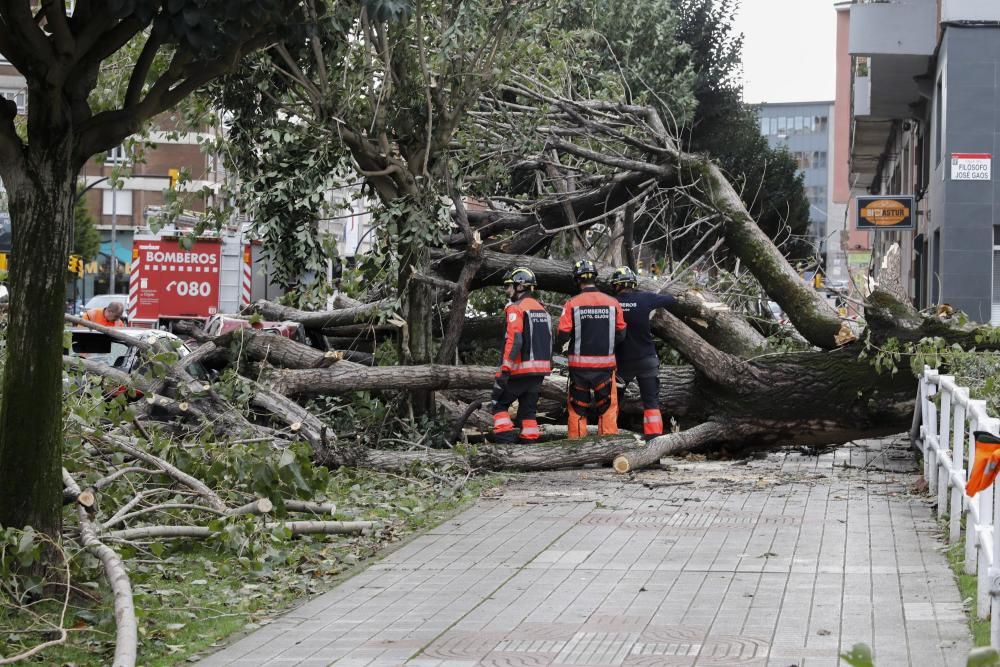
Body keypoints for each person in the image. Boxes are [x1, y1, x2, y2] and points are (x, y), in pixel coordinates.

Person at [557, 259, 626, 438]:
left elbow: (563, 334)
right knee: (608, 408)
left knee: (578, 409)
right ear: (595, 278)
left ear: (577, 280)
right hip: (605, 367)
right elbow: (621, 334)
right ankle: (608, 451)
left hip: (579, 369)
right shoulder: (613, 303)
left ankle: (578, 453)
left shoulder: (572, 303)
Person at [610, 266, 676, 440]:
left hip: (622, 364)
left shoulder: (611, 303)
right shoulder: (645, 298)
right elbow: (671, 300)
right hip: (647, 360)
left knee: (613, 402)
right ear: (633, 283)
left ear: (616, 285)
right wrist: (652, 300)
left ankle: (609, 440)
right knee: (651, 404)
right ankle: (654, 445)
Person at [491, 267, 553, 443]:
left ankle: (506, 445)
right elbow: (549, 340)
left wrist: (505, 369)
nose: (506, 290)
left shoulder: (516, 308)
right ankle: (529, 449)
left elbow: (515, 340)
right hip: (539, 372)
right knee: (528, 411)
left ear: (519, 287)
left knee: (499, 403)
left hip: (519, 370)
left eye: (508, 286)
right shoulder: (543, 310)